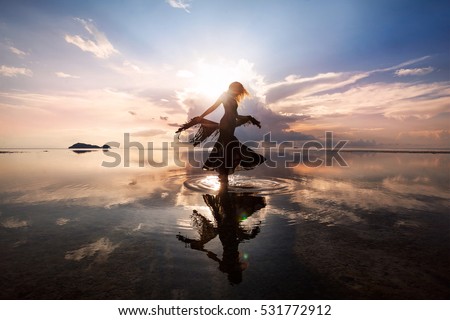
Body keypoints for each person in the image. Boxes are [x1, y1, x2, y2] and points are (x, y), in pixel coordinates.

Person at [176, 82, 265, 182]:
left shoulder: (233, 99)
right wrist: (201, 117)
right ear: (234, 89)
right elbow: (213, 107)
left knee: (227, 149)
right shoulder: (224, 96)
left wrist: (249, 117)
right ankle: (224, 176)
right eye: (238, 90)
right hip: (225, 124)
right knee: (230, 148)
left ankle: (223, 176)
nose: (239, 93)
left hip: (231, 125)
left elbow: (235, 116)